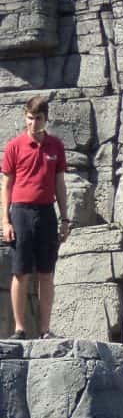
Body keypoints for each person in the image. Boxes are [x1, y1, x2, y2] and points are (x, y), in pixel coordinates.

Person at [1, 96, 71, 340]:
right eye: (29, 118)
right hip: (20, 212)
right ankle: (20, 328)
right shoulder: (14, 146)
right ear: (25, 117)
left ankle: (44, 329)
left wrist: (65, 218)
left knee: (46, 272)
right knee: (20, 271)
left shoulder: (55, 146)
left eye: (38, 119)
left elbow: (60, 184)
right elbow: (6, 185)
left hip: (46, 213)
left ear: (45, 119)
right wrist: (5, 221)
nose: (33, 123)